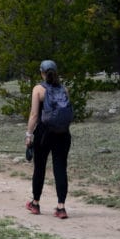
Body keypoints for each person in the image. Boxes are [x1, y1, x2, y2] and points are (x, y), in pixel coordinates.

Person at [25, 59, 71, 219]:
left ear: (42, 72)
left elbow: (34, 115)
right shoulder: (64, 89)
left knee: (40, 168)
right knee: (60, 168)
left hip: (44, 133)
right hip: (63, 133)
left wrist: (29, 134)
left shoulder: (38, 89)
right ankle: (61, 207)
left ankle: (35, 203)